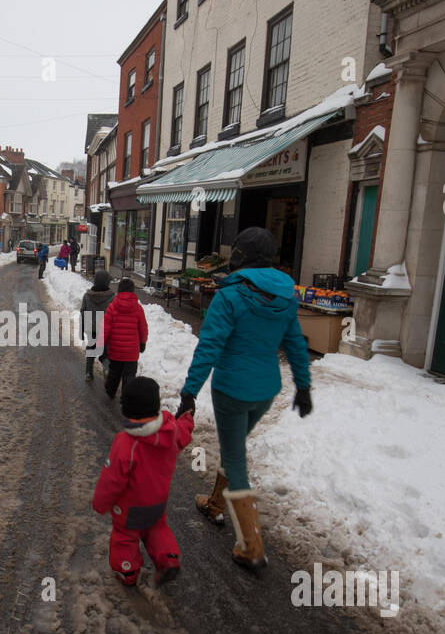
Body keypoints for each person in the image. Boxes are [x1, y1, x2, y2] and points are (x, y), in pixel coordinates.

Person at [176, 226, 311, 572]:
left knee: (236, 460)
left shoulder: (230, 295)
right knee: (234, 448)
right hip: (266, 390)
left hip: (232, 390)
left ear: (242, 255)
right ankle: (215, 505)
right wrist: (303, 385)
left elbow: (210, 346)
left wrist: (189, 391)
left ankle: (252, 546)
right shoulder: (285, 295)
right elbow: (295, 342)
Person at [91, 377, 193, 587]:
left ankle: (127, 571)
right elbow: (184, 432)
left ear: (127, 411)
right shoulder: (171, 431)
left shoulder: (126, 443)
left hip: (129, 509)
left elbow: (111, 480)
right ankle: (168, 560)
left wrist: (100, 504)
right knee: (157, 529)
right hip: (157, 503)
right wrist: (187, 417)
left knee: (124, 539)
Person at [100, 277, 147, 401]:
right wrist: (143, 343)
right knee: (129, 376)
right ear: (133, 291)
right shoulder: (138, 309)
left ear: (119, 291)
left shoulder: (112, 307)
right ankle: (126, 398)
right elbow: (143, 328)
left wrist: (101, 344)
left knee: (114, 373)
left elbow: (105, 328)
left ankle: (110, 391)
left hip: (115, 351)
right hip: (131, 352)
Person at [80, 269, 114, 382]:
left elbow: (83, 312)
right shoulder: (112, 297)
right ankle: (107, 369)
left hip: (91, 329)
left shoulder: (87, 296)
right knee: (105, 352)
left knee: (91, 350)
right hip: (105, 329)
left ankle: (88, 373)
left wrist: (82, 329)